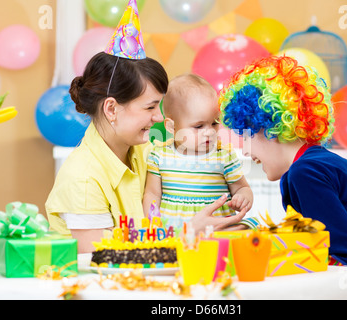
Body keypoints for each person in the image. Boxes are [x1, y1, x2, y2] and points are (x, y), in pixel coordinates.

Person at [45, 0, 246, 253]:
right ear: (111, 109)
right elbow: (101, 256)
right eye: (150, 107)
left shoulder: (147, 153)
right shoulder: (82, 179)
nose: (159, 118)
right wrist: (189, 231)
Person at [218, 55, 347, 300]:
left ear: (267, 126)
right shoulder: (322, 162)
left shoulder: (305, 173)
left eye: (246, 136)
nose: (246, 151)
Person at [143, 74, 254, 228]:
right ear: (171, 127)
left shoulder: (224, 155)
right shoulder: (159, 156)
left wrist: (243, 197)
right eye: (199, 126)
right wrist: (154, 224)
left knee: (248, 227)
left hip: (217, 230)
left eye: (214, 123)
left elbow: (242, 187)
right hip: (176, 233)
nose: (209, 132)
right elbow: (152, 194)